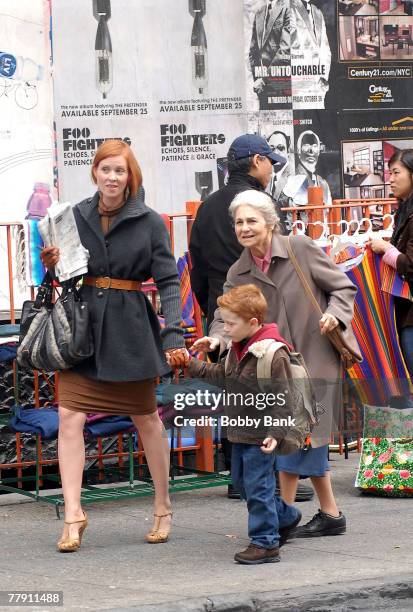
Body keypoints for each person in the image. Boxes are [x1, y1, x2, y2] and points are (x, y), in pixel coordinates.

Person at [40, 140, 188, 552]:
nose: (111, 177)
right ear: (95, 172)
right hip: (83, 331)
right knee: (70, 417)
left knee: (146, 419)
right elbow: (64, 276)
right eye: (105, 169)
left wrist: (173, 333)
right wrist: (53, 263)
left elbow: (168, 281)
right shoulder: (75, 216)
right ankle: (73, 513)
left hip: (129, 331)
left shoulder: (149, 221)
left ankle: (162, 504)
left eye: (119, 171)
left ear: (130, 176)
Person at [196, 189, 359, 537]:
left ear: (269, 222)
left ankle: (283, 518)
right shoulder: (238, 271)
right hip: (274, 368)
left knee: (300, 436)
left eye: (251, 220)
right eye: (239, 222)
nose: (244, 228)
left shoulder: (300, 249)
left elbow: (343, 289)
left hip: (315, 358)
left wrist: (334, 315)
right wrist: (216, 340)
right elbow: (225, 319)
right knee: (295, 437)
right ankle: (320, 515)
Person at [189, 133, 285, 498]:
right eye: (270, 162)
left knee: (232, 388)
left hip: (221, 308)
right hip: (259, 310)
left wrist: (211, 306)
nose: (272, 169)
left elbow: (196, 267)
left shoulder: (207, 207)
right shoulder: (260, 205)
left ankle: (237, 477)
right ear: (256, 161)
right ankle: (270, 477)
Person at [188, 284, 301, 564]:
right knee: (242, 483)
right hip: (238, 431)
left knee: (259, 486)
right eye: (223, 322)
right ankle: (286, 516)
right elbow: (223, 377)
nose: (225, 329)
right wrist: (188, 364)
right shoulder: (237, 348)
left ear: (253, 322)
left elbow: (284, 397)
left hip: (261, 434)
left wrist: (276, 433)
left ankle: (265, 543)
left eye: (230, 323)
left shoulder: (273, 353)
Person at [369, 149, 413, 379]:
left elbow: (410, 265)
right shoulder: (404, 209)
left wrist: (386, 249)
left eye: (396, 172)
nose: (391, 179)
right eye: (389, 173)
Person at [279, 130, 332, 231]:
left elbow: (327, 213)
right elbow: (283, 211)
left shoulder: (323, 183)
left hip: (320, 233)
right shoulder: (290, 180)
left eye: (315, 146)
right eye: (306, 145)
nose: (311, 151)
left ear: (319, 151)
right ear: (298, 150)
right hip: (298, 236)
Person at [249, 0, 291, 109]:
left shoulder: (288, 8)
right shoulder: (259, 12)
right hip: (262, 90)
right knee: (265, 124)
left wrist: (264, 80)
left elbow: (285, 50)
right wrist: (258, 79)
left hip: (282, 87)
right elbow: (253, 52)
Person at [290, 0, 331, 109]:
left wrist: (323, 76)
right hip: (299, 84)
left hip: (318, 86)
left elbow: (325, 49)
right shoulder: (288, 7)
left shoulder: (317, 12)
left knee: (317, 123)